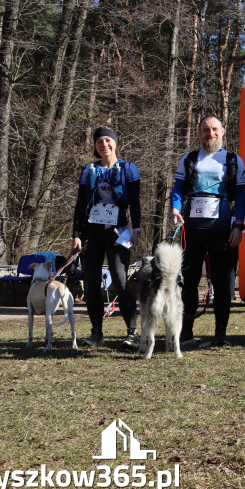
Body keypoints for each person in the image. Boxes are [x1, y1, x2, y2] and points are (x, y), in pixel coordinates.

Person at [170, 116, 245, 348]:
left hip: (222, 229)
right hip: (192, 228)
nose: (210, 134)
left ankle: (220, 333)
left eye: (214, 129)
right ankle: (186, 333)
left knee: (222, 282)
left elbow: (241, 197)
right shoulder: (189, 158)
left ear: (223, 131)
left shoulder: (233, 160)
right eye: (205, 130)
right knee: (190, 281)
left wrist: (238, 225)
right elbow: (178, 188)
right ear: (199, 132)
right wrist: (174, 209)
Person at [71, 127, 142, 347]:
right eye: (99, 141)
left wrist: (137, 230)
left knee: (120, 279)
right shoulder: (88, 170)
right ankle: (96, 332)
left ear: (115, 143)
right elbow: (80, 204)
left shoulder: (128, 168)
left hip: (117, 231)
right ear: (95, 146)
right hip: (91, 231)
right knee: (91, 283)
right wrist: (75, 235)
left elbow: (136, 202)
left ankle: (132, 332)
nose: (104, 145)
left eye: (108, 140)